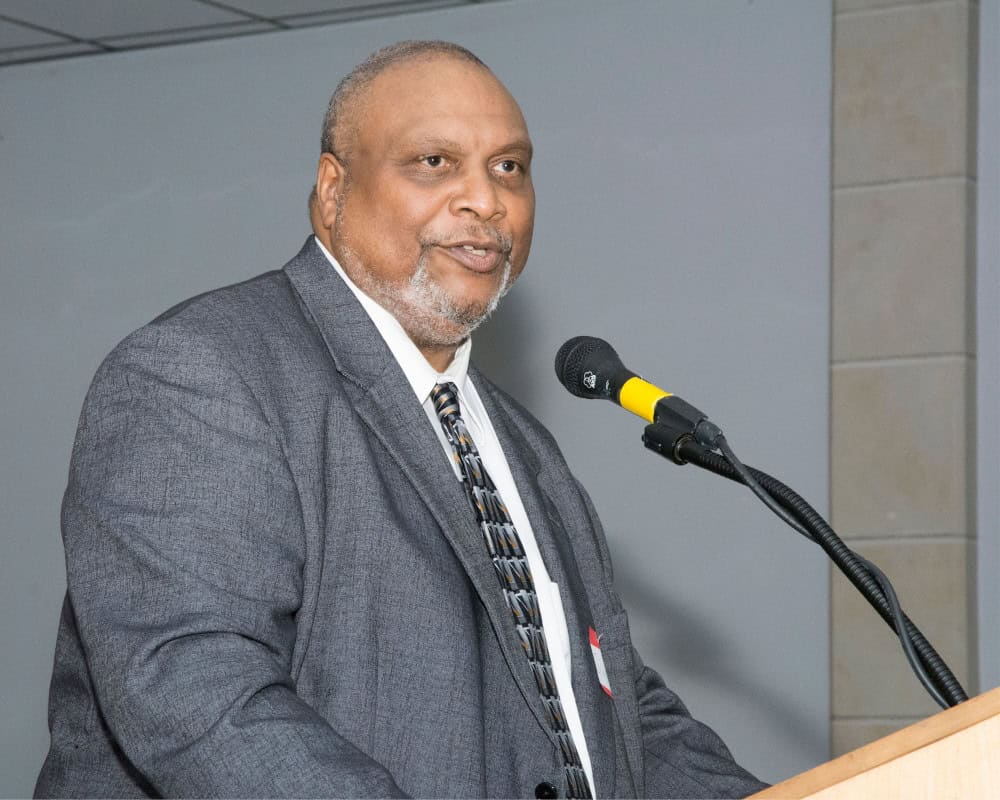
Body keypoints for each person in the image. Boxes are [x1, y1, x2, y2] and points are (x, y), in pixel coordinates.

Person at [35, 41, 768, 799]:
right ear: (331, 190)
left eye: (509, 168)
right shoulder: (202, 372)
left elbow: (612, 707)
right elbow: (195, 692)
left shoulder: (520, 444)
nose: (485, 200)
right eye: (434, 162)